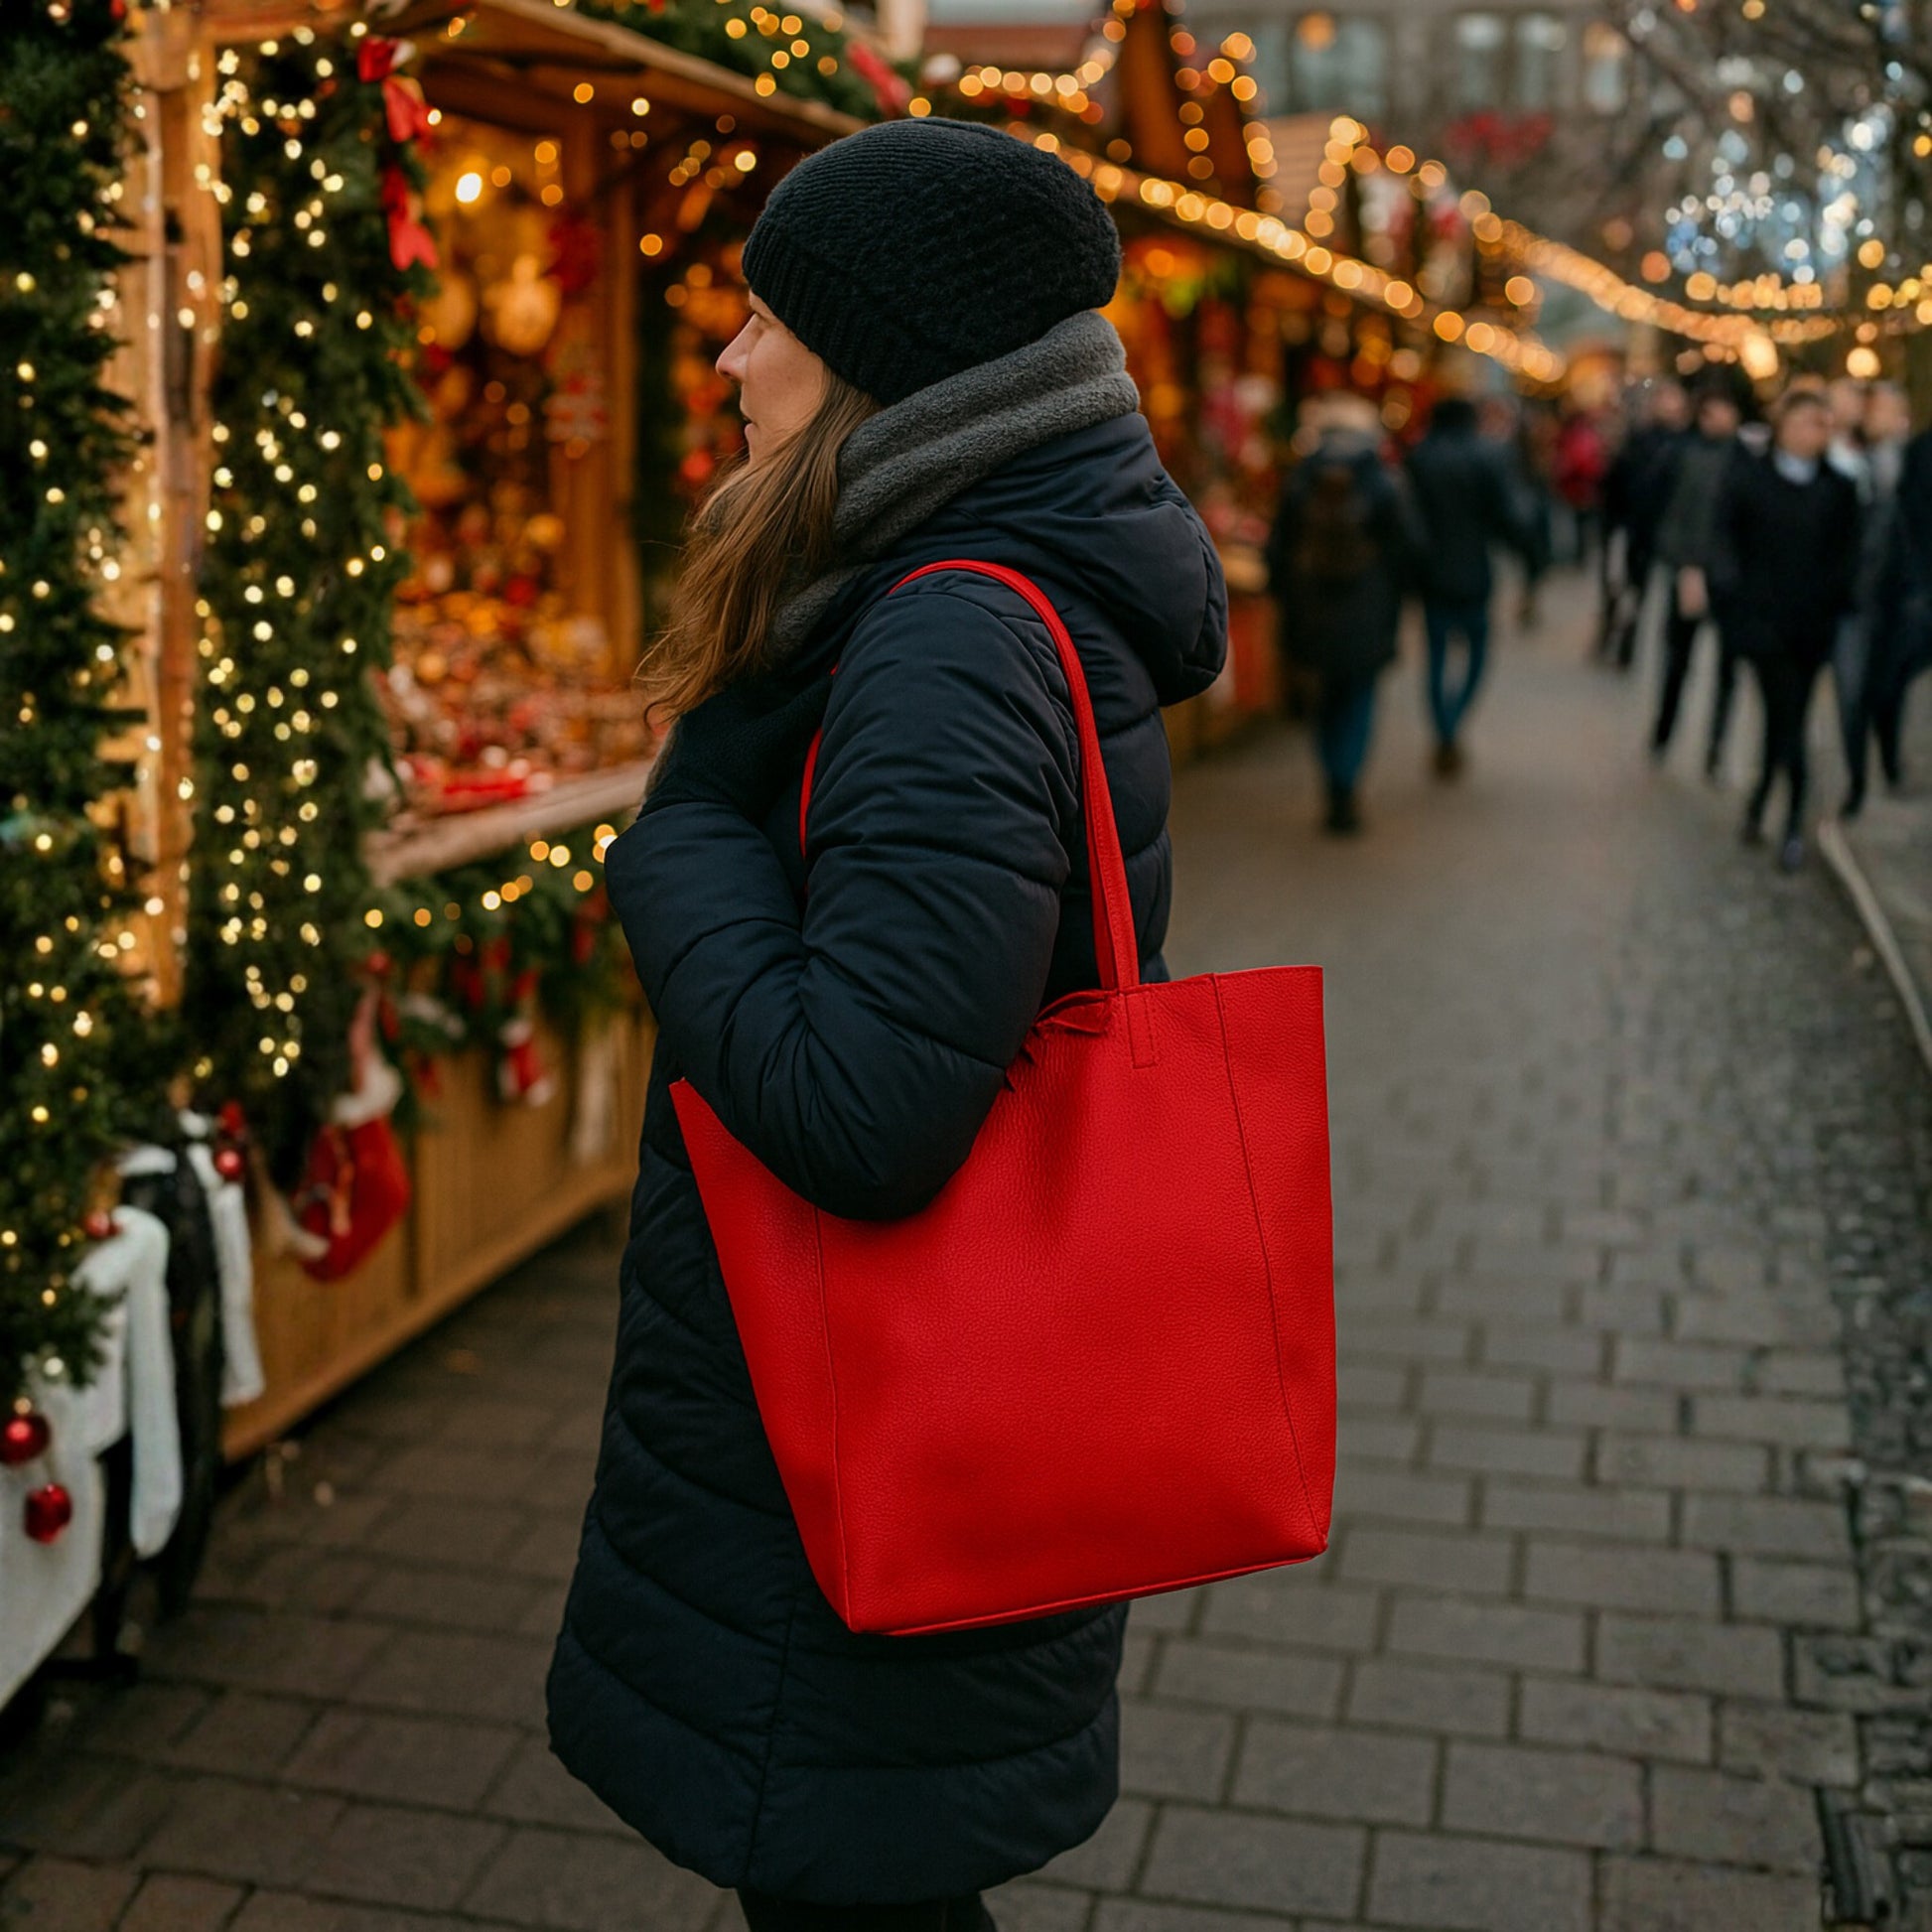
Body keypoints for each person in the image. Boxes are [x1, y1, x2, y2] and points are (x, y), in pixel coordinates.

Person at [545, 118, 1228, 1931]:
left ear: (884, 369)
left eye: (767, 318)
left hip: (854, 1458)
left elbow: (862, 1107)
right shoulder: (980, 586)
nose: (727, 356)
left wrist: (673, 835)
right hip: (882, 1454)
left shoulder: (941, 631)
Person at [1709, 388, 1861, 871]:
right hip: (1764, 627)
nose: (1811, 433)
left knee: (1784, 721)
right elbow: (1725, 541)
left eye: (1820, 425)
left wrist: (1836, 602)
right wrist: (1734, 600)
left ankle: (1761, 805)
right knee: (1788, 719)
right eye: (1804, 423)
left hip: (1812, 628)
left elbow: (1849, 556)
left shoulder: (1838, 488)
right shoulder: (1752, 480)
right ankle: (1791, 818)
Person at [1266, 391, 1420, 833]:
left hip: (1311, 608)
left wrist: (1285, 599)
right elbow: (1407, 548)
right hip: (1368, 607)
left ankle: (1332, 779)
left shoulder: (1300, 478)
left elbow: (1278, 550)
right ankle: (1346, 783)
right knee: (1359, 699)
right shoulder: (1385, 480)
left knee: (1325, 700)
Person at [1407, 393, 1528, 775]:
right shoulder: (1488, 456)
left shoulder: (1419, 457)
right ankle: (1453, 721)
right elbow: (1510, 515)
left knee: (1437, 657)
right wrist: (1531, 562)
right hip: (1476, 572)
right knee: (1476, 655)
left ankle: (1443, 726)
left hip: (1432, 576)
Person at [1649, 387, 1742, 773]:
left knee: (1726, 670)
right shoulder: (1685, 456)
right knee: (1677, 662)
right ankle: (1663, 733)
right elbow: (1671, 517)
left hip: (1730, 581)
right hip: (1690, 572)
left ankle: (1716, 745)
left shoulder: (1745, 463)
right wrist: (1686, 567)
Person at [1842, 381, 1911, 816]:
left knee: (1891, 689)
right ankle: (1857, 780)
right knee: (1852, 693)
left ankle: (1889, 763)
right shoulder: (1852, 466)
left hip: (1899, 602)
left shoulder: (1914, 467)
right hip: (1855, 601)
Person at [1599, 379, 1690, 668]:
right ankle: (1617, 635)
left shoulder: (1683, 444)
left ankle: (1628, 642)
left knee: (1642, 591)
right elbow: (1618, 485)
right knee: (1622, 585)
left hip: (1658, 533)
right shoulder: (1639, 441)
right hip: (1633, 527)